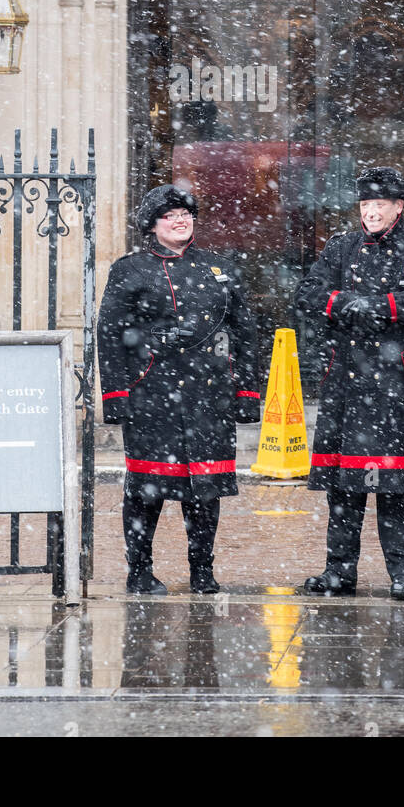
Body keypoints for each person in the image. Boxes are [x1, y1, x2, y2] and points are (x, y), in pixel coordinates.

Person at [296, 166, 404, 599]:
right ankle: (339, 572)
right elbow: (309, 293)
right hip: (347, 382)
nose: (371, 211)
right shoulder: (341, 247)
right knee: (343, 490)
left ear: (398, 207)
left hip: (396, 385)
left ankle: (403, 575)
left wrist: (385, 307)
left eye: (379, 205)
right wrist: (346, 302)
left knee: (397, 490)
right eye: (366, 204)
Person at [97, 185, 260, 595]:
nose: (180, 220)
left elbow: (246, 333)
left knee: (205, 490)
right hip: (151, 392)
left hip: (209, 394)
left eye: (186, 213)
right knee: (146, 490)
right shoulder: (130, 268)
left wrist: (247, 392)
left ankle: (202, 570)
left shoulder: (220, 267)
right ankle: (140, 569)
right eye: (170, 215)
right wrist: (115, 394)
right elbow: (111, 333)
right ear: (153, 224)